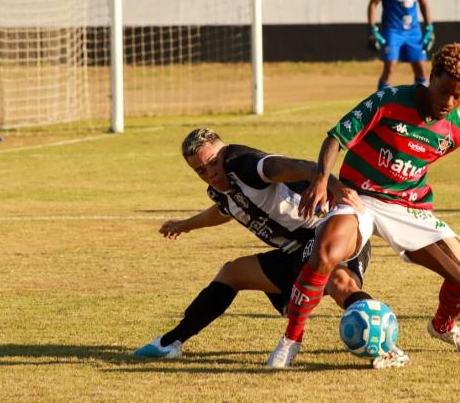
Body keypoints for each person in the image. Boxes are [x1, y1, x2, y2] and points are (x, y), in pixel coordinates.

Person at [267, 43, 460, 369]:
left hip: (408, 207)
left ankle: (443, 327)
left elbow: (417, 161)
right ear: (432, 75)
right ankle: (291, 339)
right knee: (326, 254)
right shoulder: (388, 101)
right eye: (444, 92)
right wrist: (321, 180)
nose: (449, 103)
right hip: (360, 196)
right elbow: (336, 138)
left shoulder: (456, 131)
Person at [134, 128, 409, 369]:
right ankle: (170, 343)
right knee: (232, 272)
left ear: (224, 151)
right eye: (200, 170)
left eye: (213, 163)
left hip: (330, 231)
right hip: (295, 250)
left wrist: (335, 187)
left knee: (338, 282)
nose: (210, 173)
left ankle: (388, 348)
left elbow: (300, 166)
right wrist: (186, 224)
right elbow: (225, 210)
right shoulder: (220, 190)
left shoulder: (245, 164)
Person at [367, 0, 435, 91]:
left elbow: (423, 4)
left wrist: (430, 27)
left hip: (413, 31)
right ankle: (380, 103)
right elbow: (373, 4)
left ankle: (419, 106)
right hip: (393, 30)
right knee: (390, 67)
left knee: (421, 68)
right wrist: (373, 29)